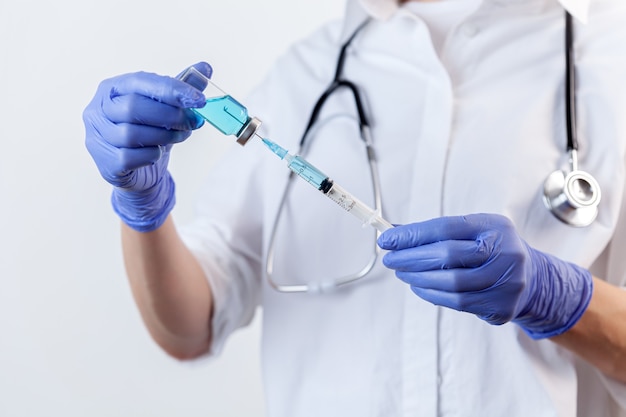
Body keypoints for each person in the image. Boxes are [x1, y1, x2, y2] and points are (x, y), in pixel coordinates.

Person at [83, 0, 626, 415]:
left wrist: (561, 300)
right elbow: (189, 327)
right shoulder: (306, 71)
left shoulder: (608, 58)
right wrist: (141, 203)